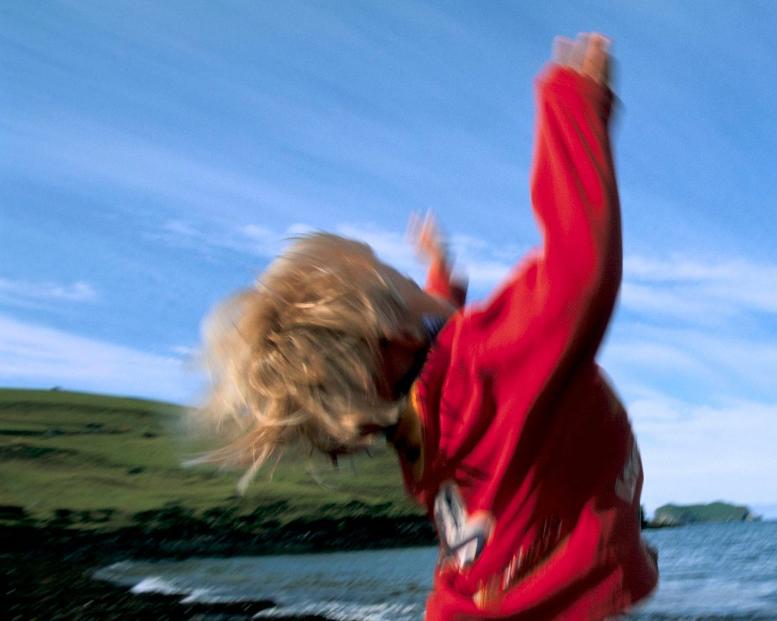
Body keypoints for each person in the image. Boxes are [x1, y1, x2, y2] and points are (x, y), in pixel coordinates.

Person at [193, 33, 658, 619]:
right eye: (398, 281)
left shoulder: (411, 419)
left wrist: (438, 277)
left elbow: (438, 351)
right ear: (395, 334)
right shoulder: (483, 361)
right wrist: (574, 105)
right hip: (563, 605)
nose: (417, 288)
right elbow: (579, 267)